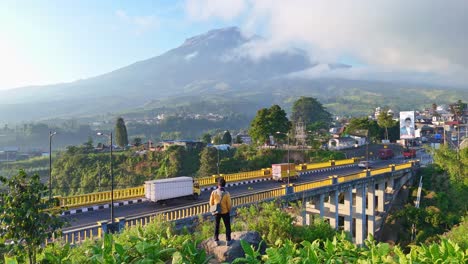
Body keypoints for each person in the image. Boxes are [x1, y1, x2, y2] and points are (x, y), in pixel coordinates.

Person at [209, 178, 232, 246]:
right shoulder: (227, 193)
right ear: (225, 185)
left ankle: (216, 240)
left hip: (217, 212)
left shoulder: (214, 192)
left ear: (218, 184)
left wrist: (214, 209)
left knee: (217, 226)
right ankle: (228, 240)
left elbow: (211, 202)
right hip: (225, 212)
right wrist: (228, 210)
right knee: (227, 226)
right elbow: (229, 204)